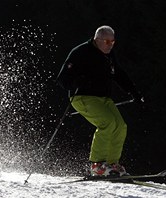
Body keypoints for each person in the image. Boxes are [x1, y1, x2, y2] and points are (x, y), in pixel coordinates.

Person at [56, 25, 144, 177]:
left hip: (103, 98)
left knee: (120, 126)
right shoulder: (81, 52)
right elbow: (63, 78)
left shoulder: (109, 55)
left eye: (113, 42)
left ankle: (112, 164)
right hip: (83, 97)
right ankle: (97, 165)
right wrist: (77, 81)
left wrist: (134, 92)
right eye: (107, 41)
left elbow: (119, 74)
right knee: (108, 123)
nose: (110, 45)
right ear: (97, 40)